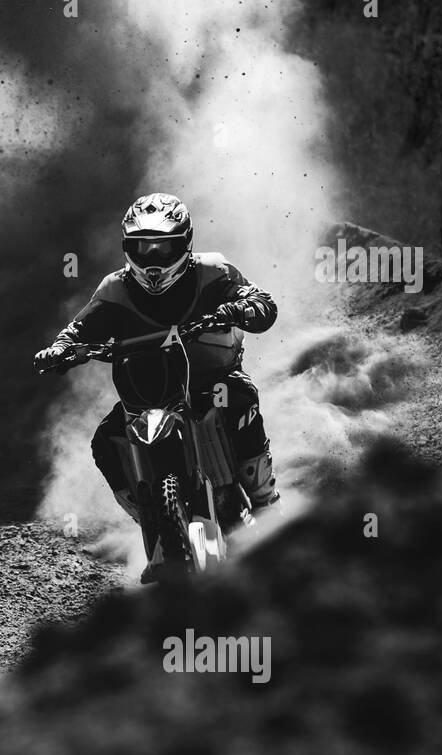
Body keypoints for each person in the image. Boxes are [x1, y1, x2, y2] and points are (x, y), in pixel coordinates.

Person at [34, 192, 280, 579]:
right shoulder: (114, 290)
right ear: (127, 248)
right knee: (106, 441)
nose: (152, 259)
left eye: (163, 248)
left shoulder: (214, 272)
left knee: (239, 398)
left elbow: (262, 302)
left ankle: (266, 504)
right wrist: (61, 349)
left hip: (211, 381)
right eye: (142, 248)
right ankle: (160, 522)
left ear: (184, 244)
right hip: (151, 393)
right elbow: (80, 327)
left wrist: (245, 307)